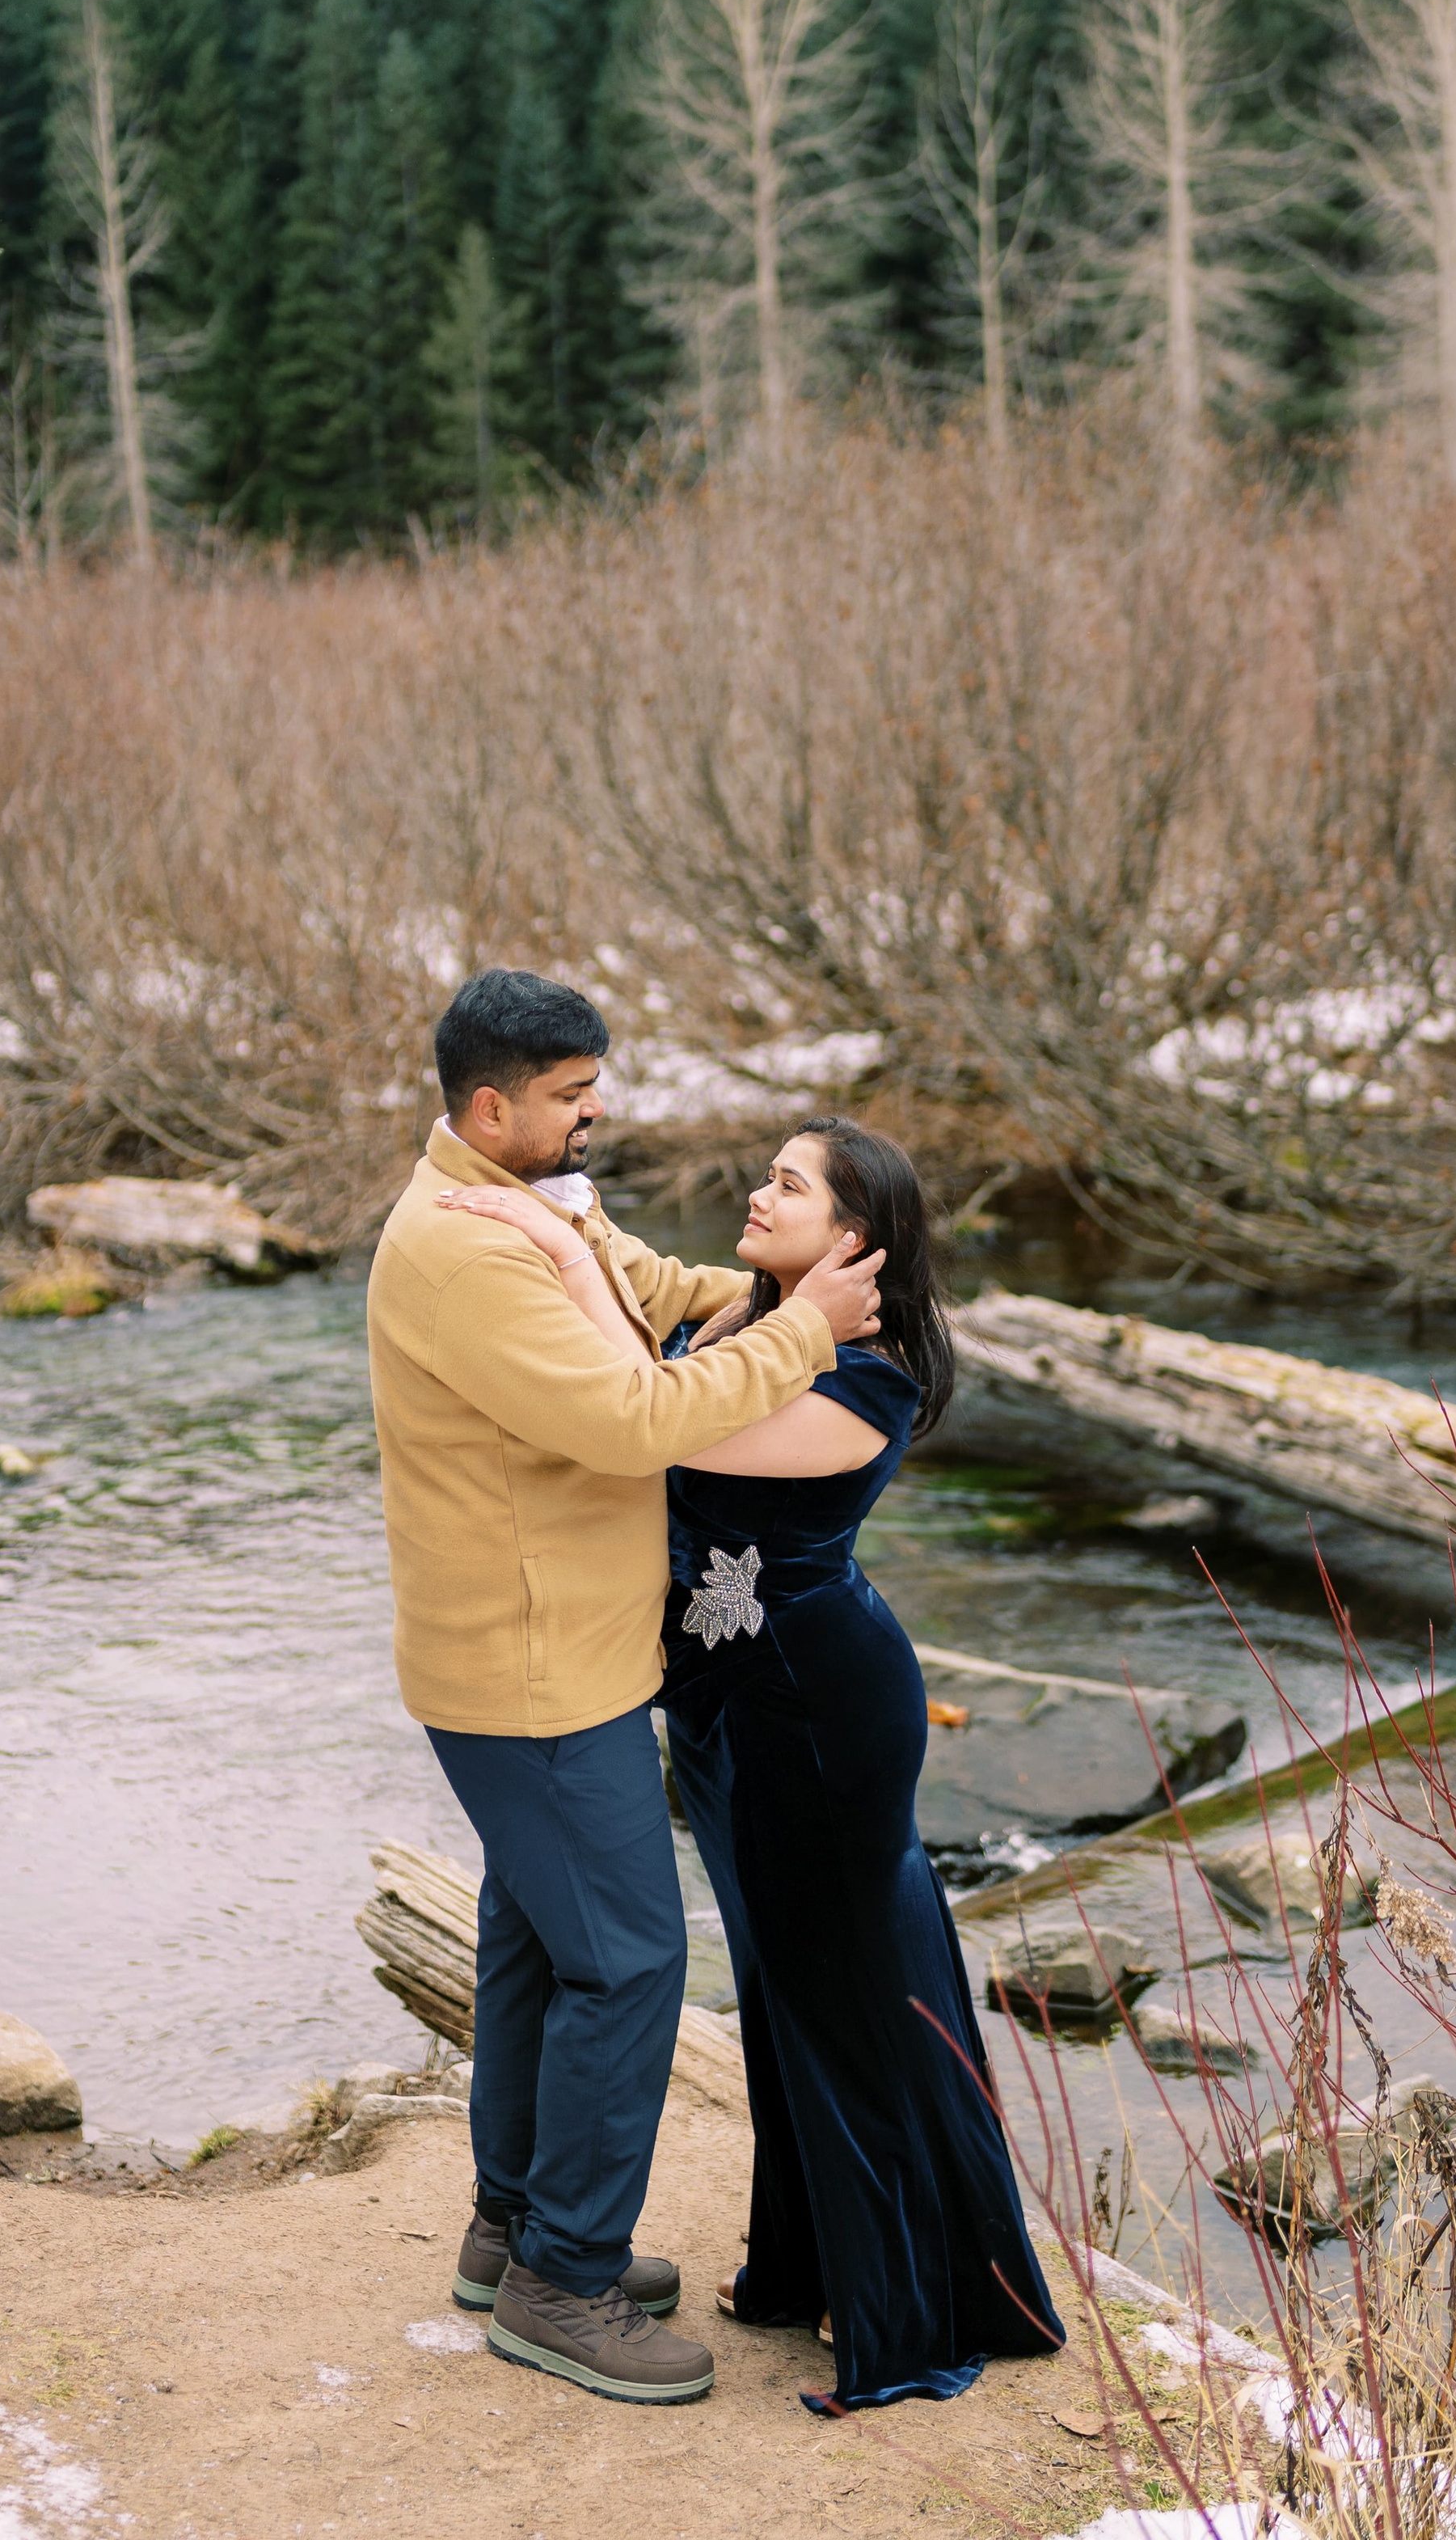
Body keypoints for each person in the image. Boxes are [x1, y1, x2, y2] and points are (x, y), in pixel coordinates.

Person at [366, 970, 885, 2407]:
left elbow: (652, 1296)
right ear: (491, 1106)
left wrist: (784, 1292)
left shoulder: (544, 1199)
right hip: (527, 1669)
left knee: (540, 1946)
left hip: (569, 1648)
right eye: (570, 1095)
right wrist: (807, 1335)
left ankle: (510, 2234)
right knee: (634, 1961)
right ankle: (565, 2286)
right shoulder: (459, 1250)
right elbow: (626, 1419)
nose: (598, 1112)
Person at [658, 1117, 1064, 2411]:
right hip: (725, 1710)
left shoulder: (867, 1380)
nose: (757, 1191)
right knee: (783, 1995)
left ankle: (902, 2290)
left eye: (788, 1182)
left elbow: (665, 1438)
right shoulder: (740, 1320)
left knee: (848, 1996)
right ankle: (806, 2259)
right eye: (766, 1172)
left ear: (853, 1237)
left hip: (821, 1713)